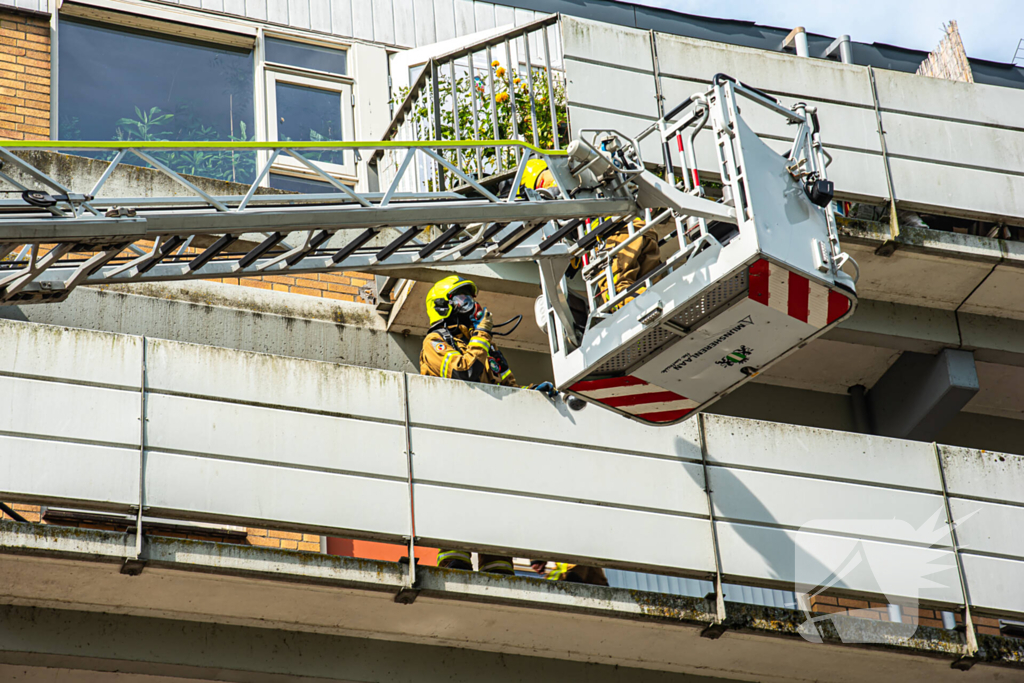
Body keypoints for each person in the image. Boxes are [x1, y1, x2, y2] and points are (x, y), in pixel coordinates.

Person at [420, 275, 516, 575]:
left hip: (489, 441)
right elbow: (466, 375)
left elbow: (510, 390)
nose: (471, 306)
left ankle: (497, 565)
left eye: (470, 299)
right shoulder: (435, 342)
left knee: (495, 504)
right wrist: (481, 337)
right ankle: (454, 562)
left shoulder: (486, 347)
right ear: (443, 307)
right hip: (454, 440)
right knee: (458, 501)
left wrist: (536, 396)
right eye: (461, 300)